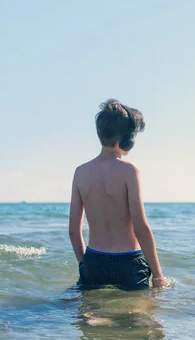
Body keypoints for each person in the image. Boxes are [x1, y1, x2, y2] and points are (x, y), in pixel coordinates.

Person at [68, 99, 167, 289]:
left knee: (91, 314)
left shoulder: (80, 172)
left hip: (94, 261)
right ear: (127, 139)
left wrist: (84, 266)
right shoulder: (129, 171)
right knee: (135, 317)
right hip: (128, 262)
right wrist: (158, 276)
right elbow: (140, 227)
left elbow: (73, 230)